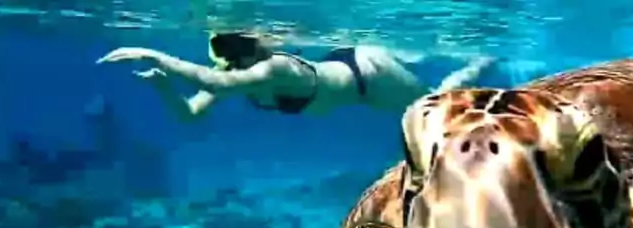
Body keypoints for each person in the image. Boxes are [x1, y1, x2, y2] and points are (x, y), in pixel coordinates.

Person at [97, 31, 493, 120]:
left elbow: (212, 83)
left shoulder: (277, 67)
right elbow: (190, 114)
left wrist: (154, 53)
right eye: (227, 53)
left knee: (435, 106)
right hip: (349, 75)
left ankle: (479, 64)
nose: (231, 59)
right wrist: (163, 85)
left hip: (368, 73)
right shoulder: (242, 72)